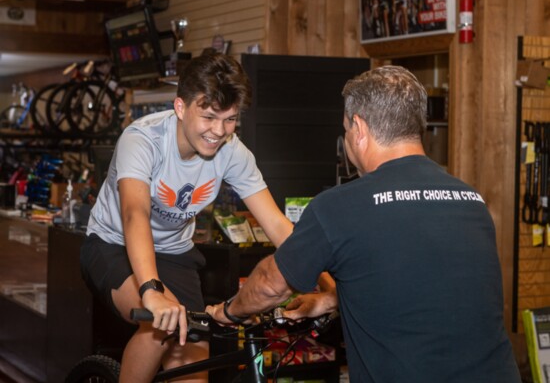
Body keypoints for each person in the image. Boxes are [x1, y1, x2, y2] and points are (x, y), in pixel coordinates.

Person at [206, 65, 522, 382]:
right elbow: (427, 288)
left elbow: (269, 286)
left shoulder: (340, 205)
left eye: (345, 129)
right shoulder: (471, 200)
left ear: (358, 129)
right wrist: (334, 299)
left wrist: (228, 312)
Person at [80, 53, 294, 383]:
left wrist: (329, 285)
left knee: (192, 359)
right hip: (114, 244)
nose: (218, 131)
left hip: (175, 254)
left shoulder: (232, 152)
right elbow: (135, 213)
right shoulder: (143, 140)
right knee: (158, 323)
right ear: (180, 107)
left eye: (230, 119)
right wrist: (151, 289)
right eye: (208, 117)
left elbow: (278, 225)